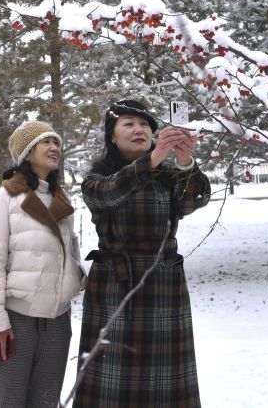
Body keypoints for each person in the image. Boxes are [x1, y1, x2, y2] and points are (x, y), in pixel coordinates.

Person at [74, 98, 211, 408]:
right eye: (128, 124)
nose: (139, 130)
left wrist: (185, 161)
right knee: (111, 382)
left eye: (145, 125)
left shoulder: (167, 175)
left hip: (163, 286)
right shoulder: (97, 179)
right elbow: (110, 194)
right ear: (112, 136)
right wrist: (154, 158)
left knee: (165, 382)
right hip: (115, 287)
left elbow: (195, 200)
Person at [0, 120, 85, 408]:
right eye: (46, 142)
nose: (54, 148)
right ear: (27, 152)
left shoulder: (61, 200)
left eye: (57, 142)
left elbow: (69, 255)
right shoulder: (2, 199)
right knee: (10, 401)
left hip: (57, 320)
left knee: (46, 402)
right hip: (17, 321)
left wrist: (78, 278)